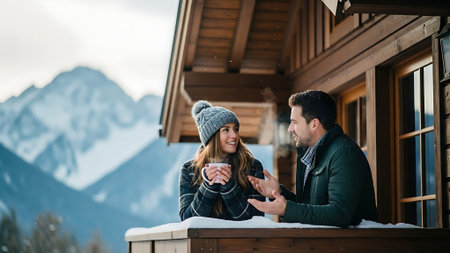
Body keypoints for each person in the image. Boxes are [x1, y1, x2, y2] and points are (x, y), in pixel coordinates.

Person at [248, 90, 377, 227]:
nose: (290, 129)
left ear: (314, 124)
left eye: (294, 122)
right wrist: (278, 193)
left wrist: (287, 209)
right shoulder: (310, 154)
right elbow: (311, 209)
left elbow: (340, 214)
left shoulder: (343, 154)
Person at [179, 100, 265, 221]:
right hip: (203, 240)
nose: (234, 135)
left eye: (235, 129)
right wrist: (208, 186)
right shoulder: (189, 170)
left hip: (243, 240)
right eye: (226, 129)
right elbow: (187, 219)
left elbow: (256, 218)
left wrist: (229, 187)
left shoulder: (252, 167)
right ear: (212, 136)